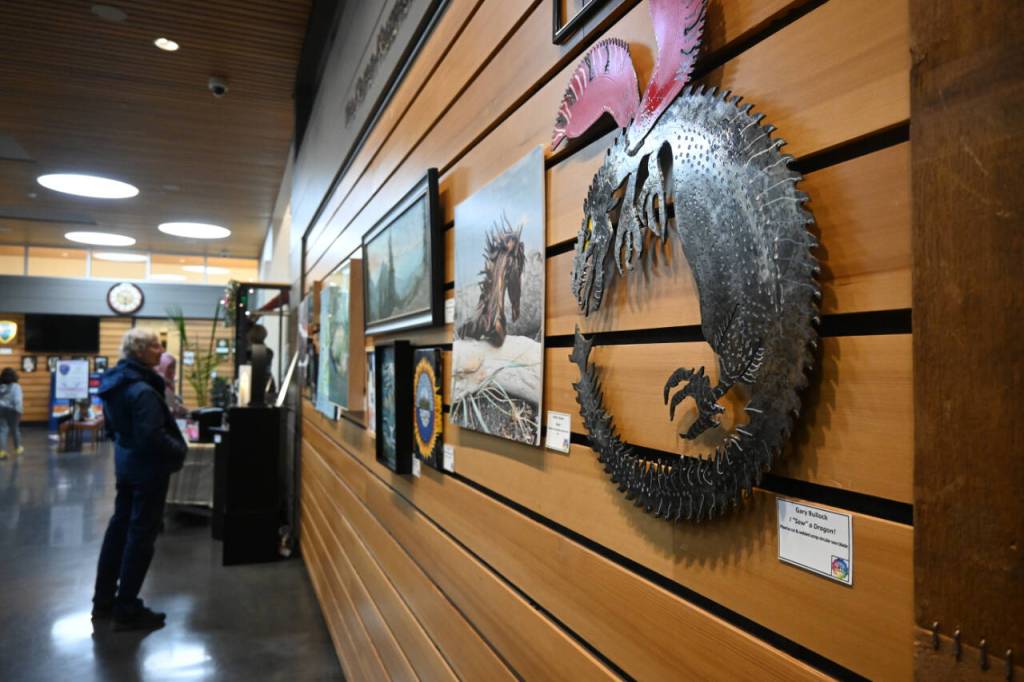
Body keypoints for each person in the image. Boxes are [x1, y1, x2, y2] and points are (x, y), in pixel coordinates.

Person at [92, 329, 187, 631]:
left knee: (119, 529)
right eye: (156, 346)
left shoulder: (115, 383)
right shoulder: (143, 390)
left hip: (126, 465)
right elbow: (152, 437)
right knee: (141, 536)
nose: (161, 350)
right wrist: (179, 450)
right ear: (141, 351)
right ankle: (127, 607)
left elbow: (112, 428)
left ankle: (103, 601)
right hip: (148, 470)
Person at [0, 368, 24, 459]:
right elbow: (18, 400)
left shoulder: (1, 386)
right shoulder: (16, 386)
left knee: (2, 430)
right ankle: (17, 448)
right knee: (15, 429)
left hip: (0, 409)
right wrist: (19, 410)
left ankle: (2, 451)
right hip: (13, 410)